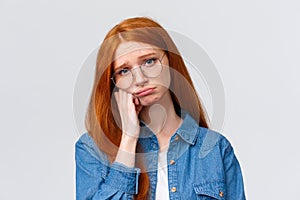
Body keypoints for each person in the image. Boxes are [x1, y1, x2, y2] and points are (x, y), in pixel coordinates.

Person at [75, 17, 246, 200]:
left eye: (149, 61)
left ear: (170, 62)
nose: (140, 79)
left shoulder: (215, 148)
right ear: (114, 82)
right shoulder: (92, 149)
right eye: (124, 71)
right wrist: (128, 139)